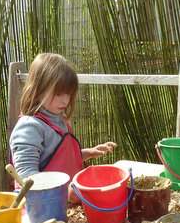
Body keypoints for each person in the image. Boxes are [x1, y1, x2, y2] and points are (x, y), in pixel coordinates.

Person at [9, 53, 117, 186]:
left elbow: (58, 160)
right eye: (58, 93)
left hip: (65, 201)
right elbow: (26, 177)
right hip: (40, 204)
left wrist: (87, 153)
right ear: (38, 90)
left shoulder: (60, 119)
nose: (65, 100)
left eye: (69, 94)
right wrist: (63, 193)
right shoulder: (30, 128)